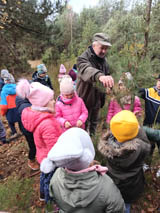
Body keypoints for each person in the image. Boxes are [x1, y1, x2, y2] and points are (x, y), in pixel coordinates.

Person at [40, 127, 125, 212]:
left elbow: (54, 203)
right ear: (88, 154)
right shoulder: (107, 186)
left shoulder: (55, 178)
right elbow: (117, 209)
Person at [16, 79, 62, 202]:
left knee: (45, 177)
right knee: (53, 181)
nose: (54, 101)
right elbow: (55, 149)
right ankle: (52, 200)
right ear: (43, 104)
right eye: (51, 99)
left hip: (43, 156)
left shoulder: (39, 118)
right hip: (52, 161)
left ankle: (43, 194)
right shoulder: (47, 124)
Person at [98, 110, 151, 213]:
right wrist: (139, 130)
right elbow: (147, 145)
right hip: (131, 185)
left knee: (115, 201)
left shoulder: (107, 144)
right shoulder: (140, 147)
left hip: (113, 181)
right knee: (126, 204)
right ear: (135, 132)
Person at [76, 32, 114, 136]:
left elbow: (107, 74)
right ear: (94, 45)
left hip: (97, 100)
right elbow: (87, 70)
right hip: (84, 100)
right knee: (83, 126)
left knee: (94, 124)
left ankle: (92, 142)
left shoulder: (104, 61)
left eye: (106, 48)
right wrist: (100, 76)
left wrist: (109, 85)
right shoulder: (82, 58)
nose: (104, 51)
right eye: (102, 48)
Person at [16, 96, 39, 170]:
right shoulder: (26, 106)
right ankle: (31, 160)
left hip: (27, 129)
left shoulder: (22, 101)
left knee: (34, 144)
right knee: (33, 146)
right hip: (28, 130)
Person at [139, 74, 160, 154]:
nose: (159, 83)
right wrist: (129, 78)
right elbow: (136, 90)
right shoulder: (150, 92)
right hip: (148, 127)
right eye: (159, 80)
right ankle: (146, 165)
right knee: (147, 149)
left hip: (159, 130)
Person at [0, 73, 20, 138]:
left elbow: (4, 105)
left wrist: (2, 113)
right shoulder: (17, 88)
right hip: (18, 107)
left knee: (11, 122)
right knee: (20, 120)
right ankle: (23, 130)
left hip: (9, 110)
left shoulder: (3, 92)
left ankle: (14, 133)